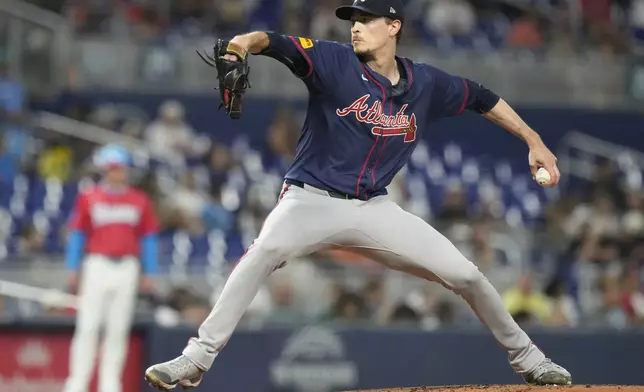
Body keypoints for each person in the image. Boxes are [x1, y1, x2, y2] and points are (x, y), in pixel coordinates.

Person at [145, 0, 572, 389]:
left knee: (467, 276)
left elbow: (482, 98)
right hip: (308, 201)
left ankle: (530, 359)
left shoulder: (425, 83)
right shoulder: (332, 61)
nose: (356, 27)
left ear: (394, 26)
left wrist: (533, 139)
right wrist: (239, 45)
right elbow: (269, 42)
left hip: (373, 207)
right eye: (353, 20)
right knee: (262, 252)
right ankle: (195, 359)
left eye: (367, 19)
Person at [63, 144, 160, 392]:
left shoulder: (139, 200)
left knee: (118, 329)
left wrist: (150, 271)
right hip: (96, 264)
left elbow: (148, 237)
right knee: (88, 326)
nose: (116, 173)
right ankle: (77, 384)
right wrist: (72, 267)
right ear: (105, 170)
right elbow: (78, 234)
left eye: (120, 168)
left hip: (127, 267)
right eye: (112, 168)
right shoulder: (89, 197)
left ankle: (110, 385)